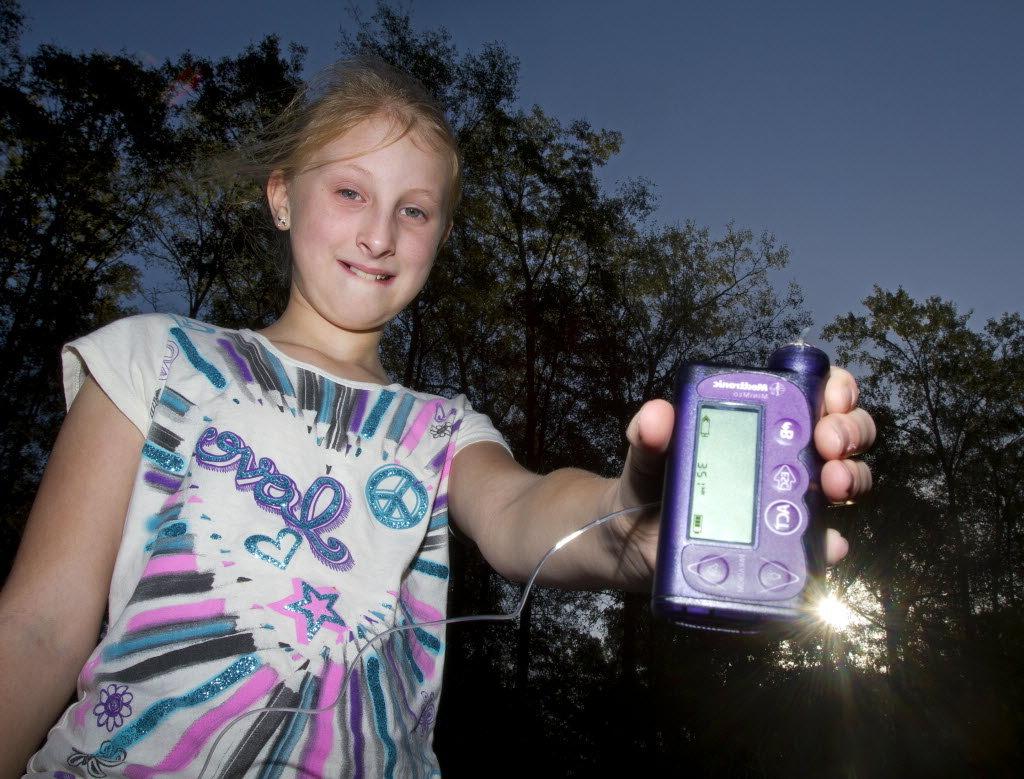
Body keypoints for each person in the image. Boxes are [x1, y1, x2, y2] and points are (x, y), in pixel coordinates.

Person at [0, 59, 875, 777]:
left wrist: (630, 520)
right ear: (281, 197)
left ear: (438, 236)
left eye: (413, 210)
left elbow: (522, 512)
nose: (379, 233)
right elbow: (37, 626)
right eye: (349, 191)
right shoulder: (153, 357)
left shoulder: (441, 427)